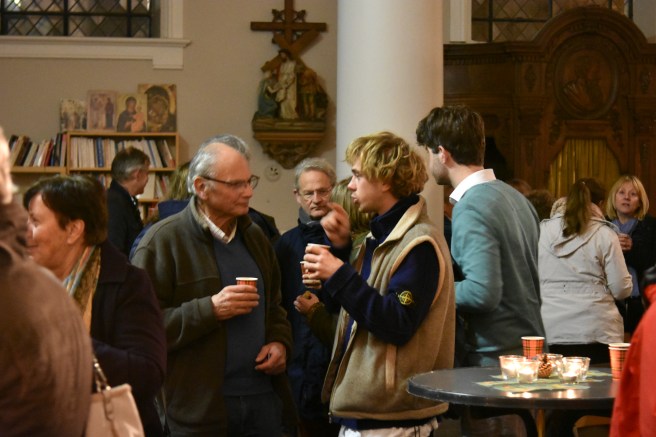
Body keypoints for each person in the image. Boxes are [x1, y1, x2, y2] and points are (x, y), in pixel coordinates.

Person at [131, 134, 295, 437]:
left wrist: (279, 341)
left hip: (262, 402)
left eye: (250, 182)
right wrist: (210, 309)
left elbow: (275, 307)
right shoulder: (162, 242)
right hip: (197, 409)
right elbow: (140, 331)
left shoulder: (256, 237)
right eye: (236, 184)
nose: (248, 192)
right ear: (201, 187)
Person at [303, 131, 455, 436]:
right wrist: (342, 250)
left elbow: (397, 323)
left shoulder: (419, 243)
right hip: (369, 411)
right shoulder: (378, 238)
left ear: (384, 180)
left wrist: (339, 274)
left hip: (394, 418)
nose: (350, 185)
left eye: (358, 175)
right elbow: (351, 314)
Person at [23, 174, 167, 436]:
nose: (24, 233)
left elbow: (147, 374)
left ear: (73, 230)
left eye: (35, 221)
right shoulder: (21, 284)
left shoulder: (128, 283)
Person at [416, 105, 545, 367]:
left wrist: (424, 290)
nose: (429, 163)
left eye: (428, 153)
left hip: (495, 358)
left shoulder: (471, 205)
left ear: (442, 153)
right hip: (530, 348)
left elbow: (480, 293)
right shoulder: (517, 198)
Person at [0, 128, 93, 437]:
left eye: (37, 221)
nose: (29, 230)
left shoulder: (19, 291)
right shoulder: (43, 283)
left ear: (74, 230)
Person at [274, 158, 340, 437]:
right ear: (297, 196)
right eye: (308, 193)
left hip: (336, 354)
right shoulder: (285, 244)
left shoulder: (347, 239)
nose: (316, 199)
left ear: (334, 190)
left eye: (323, 191)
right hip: (297, 356)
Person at [539, 178, 632, 363]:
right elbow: (621, 289)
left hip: (551, 329)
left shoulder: (541, 231)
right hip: (597, 330)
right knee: (599, 381)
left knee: (553, 381)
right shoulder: (606, 234)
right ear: (601, 204)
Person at [294, 177, 374, 348]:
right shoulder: (357, 244)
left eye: (331, 210)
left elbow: (349, 327)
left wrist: (314, 311)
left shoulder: (361, 250)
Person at [605, 175, 656, 335]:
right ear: (613, 197)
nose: (626, 197)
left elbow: (651, 265)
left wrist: (631, 249)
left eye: (633, 194)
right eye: (621, 192)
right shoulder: (602, 226)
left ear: (640, 201)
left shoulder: (651, 226)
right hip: (606, 301)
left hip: (640, 302)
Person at [610, 265, 656, 436]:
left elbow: (629, 408)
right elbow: (621, 287)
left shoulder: (650, 320)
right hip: (601, 328)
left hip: (554, 326)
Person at [107, 146, 150, 257]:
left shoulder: (121, 200)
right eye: (147, 173)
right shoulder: (114, 204)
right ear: (138, 174)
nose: (148, 179)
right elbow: (114, 253)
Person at [276, 49, 299, 120]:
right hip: (282, 84)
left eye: (282, 54)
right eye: (281, 55)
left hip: (290, 85)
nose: (281, 56)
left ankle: (291, 114)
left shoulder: (293, 63)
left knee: (290, 99)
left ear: (287, 54)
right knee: (283, 100)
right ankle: (284, 114)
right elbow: (280, 75)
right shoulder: (282, 65)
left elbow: (292, 75)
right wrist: (280, 84)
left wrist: (287, 83)